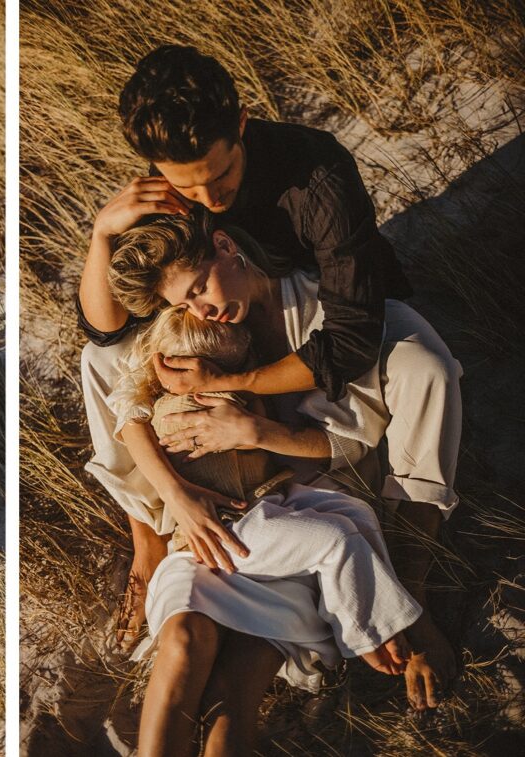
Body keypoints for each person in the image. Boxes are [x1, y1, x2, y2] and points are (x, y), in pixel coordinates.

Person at [78, 44, 461, 710]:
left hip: (320, 313)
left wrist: (247, 393)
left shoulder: (316, 173)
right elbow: (106, 329)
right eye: (186, 187)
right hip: (222, 312)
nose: (202, 200)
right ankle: (151, 529)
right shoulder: (174, 179)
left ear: (243, 124)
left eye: (216, 181)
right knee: (100, 364)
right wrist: (103, 234)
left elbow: (348, 335)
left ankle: (414, 554)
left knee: (426, 365)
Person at [118, 302, 422, 755]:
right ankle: (369, 632)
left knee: (352, 518)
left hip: (261, 519)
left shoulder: (236, 400)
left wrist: (233, 387)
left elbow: (263, 416)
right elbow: (130, 416)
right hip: (227, 532)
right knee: (336, 539)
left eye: (224, 368)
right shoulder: (173, 408)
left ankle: (370, 621)